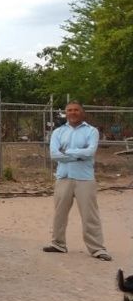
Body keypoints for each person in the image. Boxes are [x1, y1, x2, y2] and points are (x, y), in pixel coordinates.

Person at [43, 101, 112, 261]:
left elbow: (90, 152)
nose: (73, 113)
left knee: (90, 215)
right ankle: (58, 244)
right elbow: (54, 155)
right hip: (63, 177)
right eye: (69, 110)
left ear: (82, 112)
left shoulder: (91, 131)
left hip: (84, 178)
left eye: (76, 110)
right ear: (65, 113)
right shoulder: (58, 132)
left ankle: (97, 248)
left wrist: (67, 152)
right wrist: (78, 155)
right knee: (59, 213)